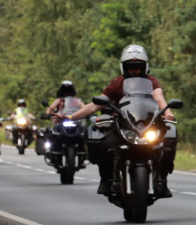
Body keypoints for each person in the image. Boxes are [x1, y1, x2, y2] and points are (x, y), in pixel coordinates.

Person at [59, 44, 177, 198]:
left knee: (168, 140)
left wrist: (168, 112)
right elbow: (96, 104)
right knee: (105, 146)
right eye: (130, 67)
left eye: (138, 66)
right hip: (123, 125)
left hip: (147, 125)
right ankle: (106, 180)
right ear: (124, 67)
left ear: (145, 67)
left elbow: (159, 98)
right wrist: (70, 117)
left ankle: (162, 179)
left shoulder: (152, 81)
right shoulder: (117, 82)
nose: (134, 70)